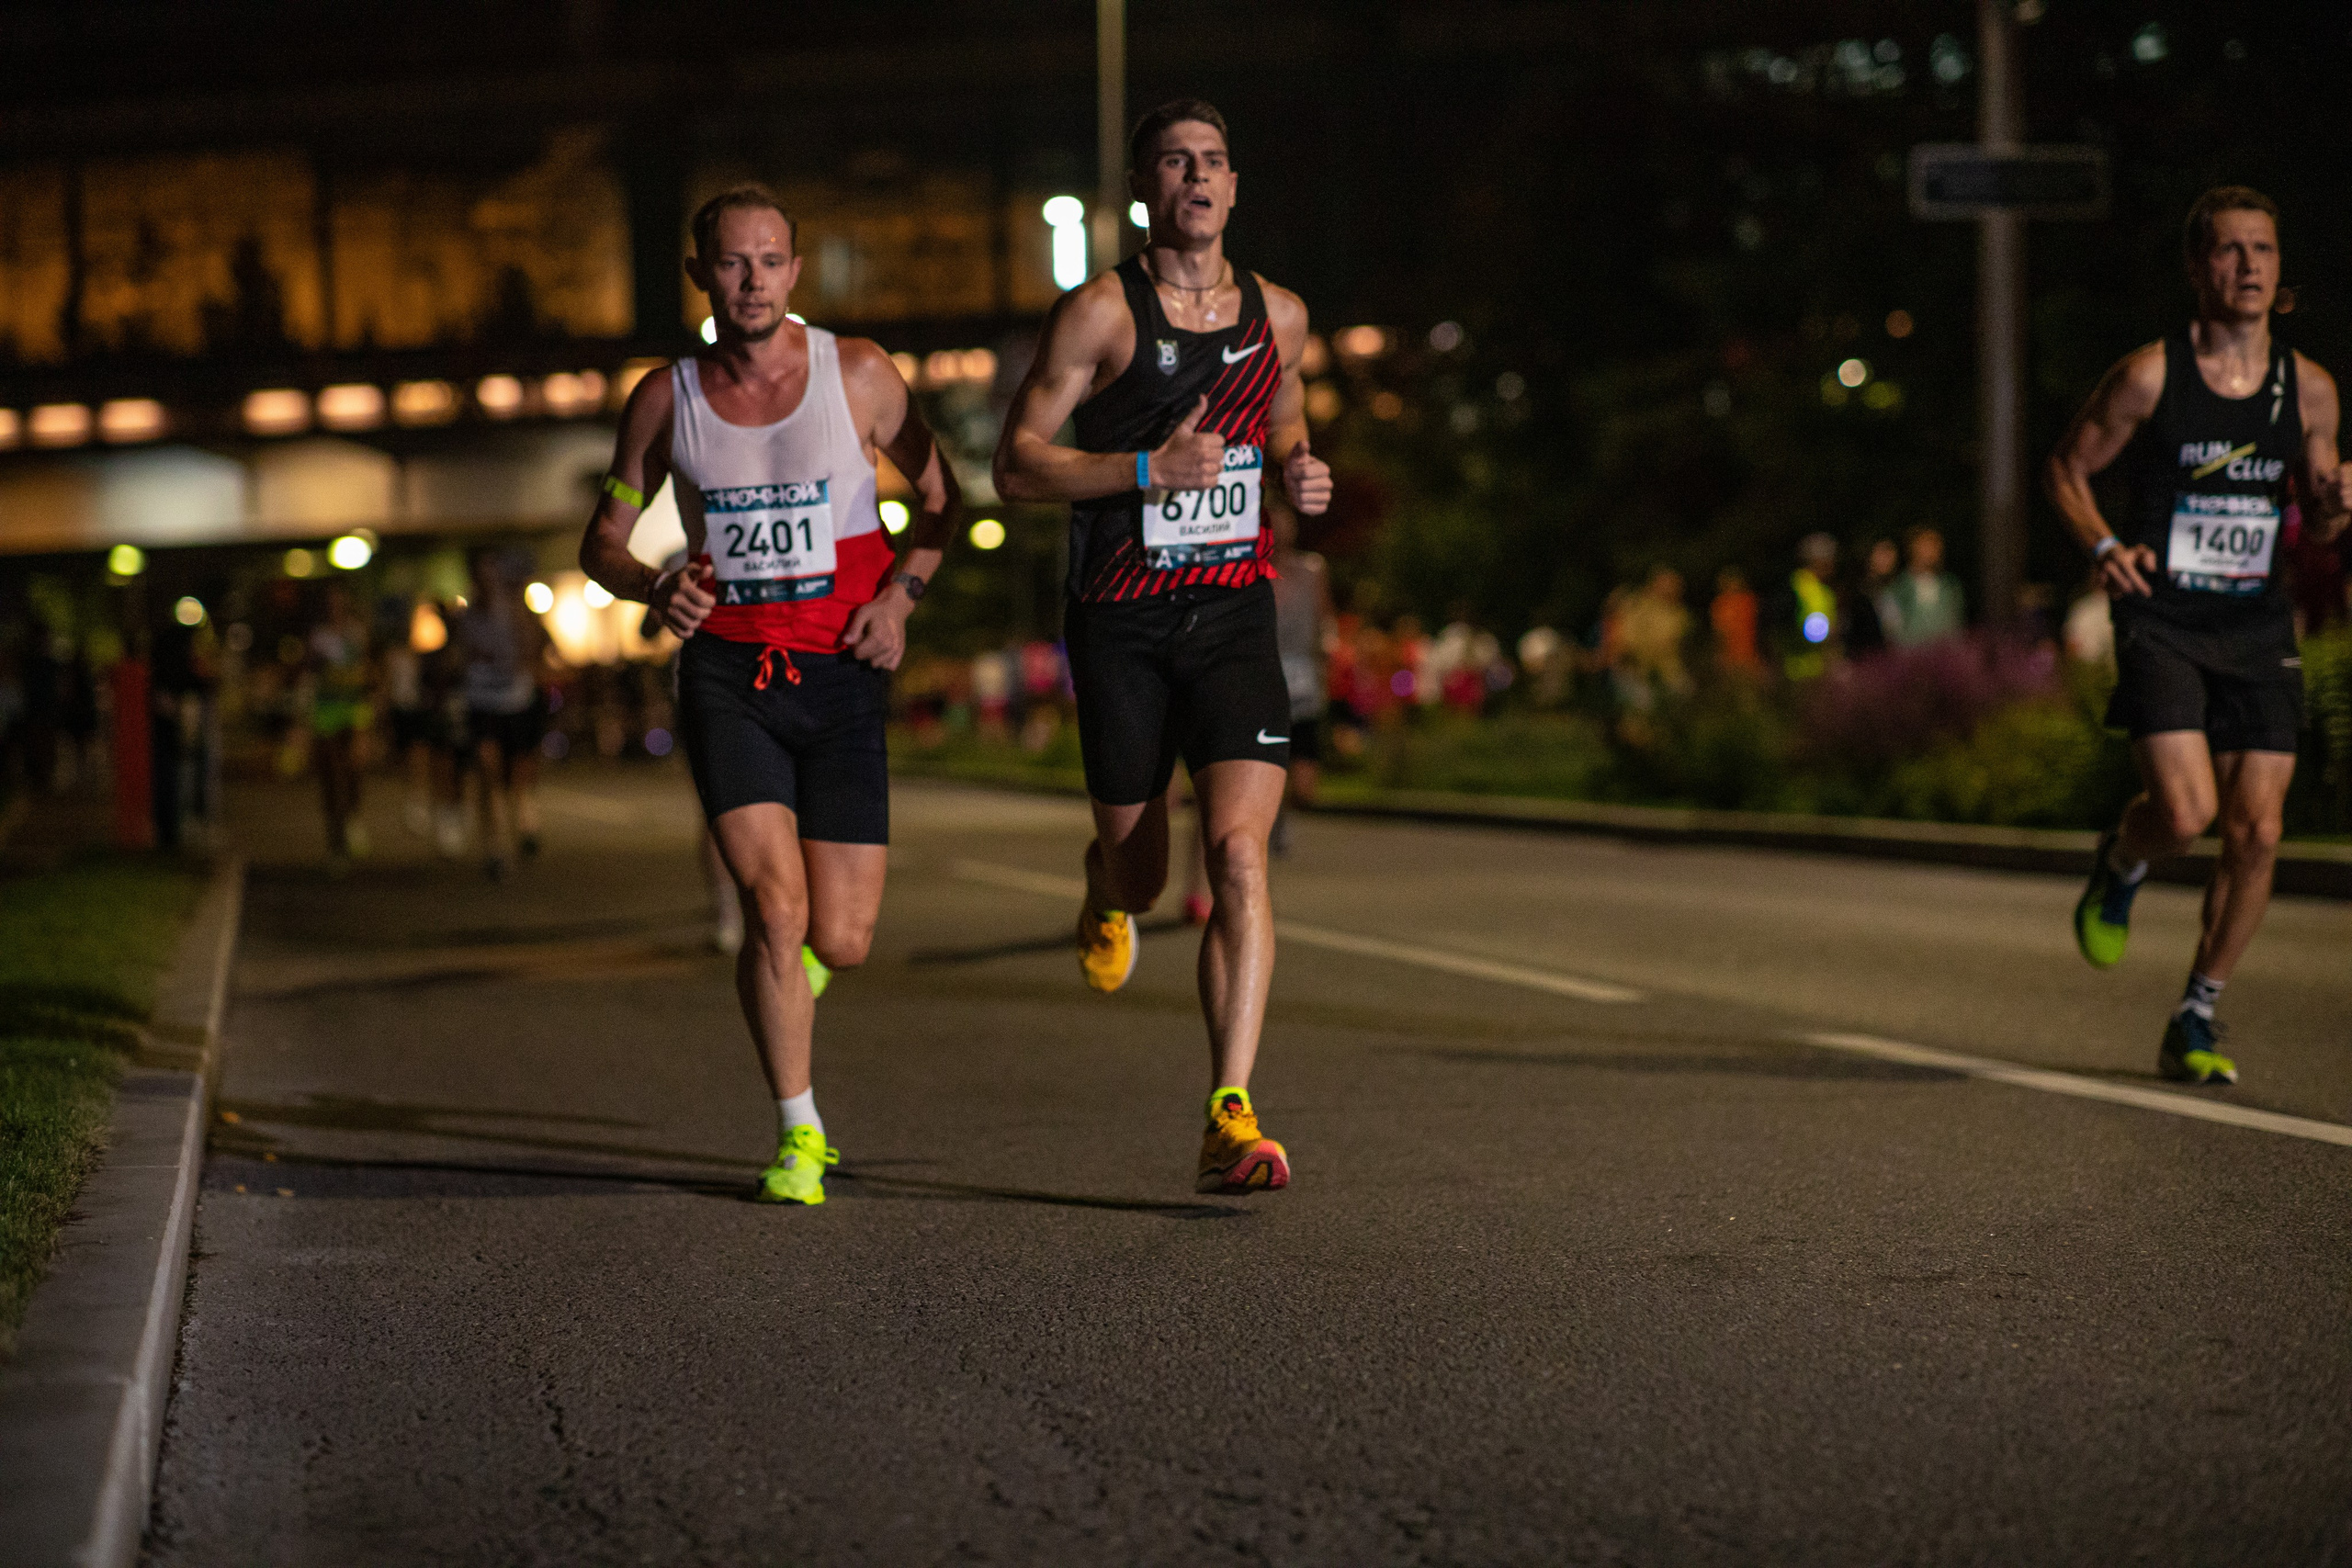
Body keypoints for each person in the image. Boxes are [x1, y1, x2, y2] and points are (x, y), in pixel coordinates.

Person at [579, 184, 958, 1205]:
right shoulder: (668, 398)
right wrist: (654, 582)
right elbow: (602, 543)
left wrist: (901, 602)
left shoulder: (862, 375)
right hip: (728, 676)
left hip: (841, 673)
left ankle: (791, 977)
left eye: (770, 261)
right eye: (731, 263)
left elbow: (940, 501)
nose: (751, 281)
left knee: (842, 938)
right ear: (701, 275)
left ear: (795, 270)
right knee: (773, 907)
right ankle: (799, 1132)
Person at [993, 98, 1332, 1193]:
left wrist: (1297, 467)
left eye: (1216, 161)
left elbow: (1281, 418)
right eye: (1177, 162)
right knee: (1143, 877)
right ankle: (1102, 885)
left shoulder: (1280, 316)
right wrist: (1144, 471)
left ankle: (1228, 1111)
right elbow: (1016, 465)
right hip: (1121, 620)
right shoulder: (1099, 313)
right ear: (1146, 190)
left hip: (1232, 611)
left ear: (1236, 188)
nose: (1198, 177)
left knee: (1235, 853)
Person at [2048, 186, 2350, 1086]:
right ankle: (2122, 859)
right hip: (2164, 618)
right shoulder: (2149, 374)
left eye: (2262, 249)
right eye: (2228, 250)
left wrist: (2332, 509)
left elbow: (2322, 520)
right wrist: (2102, 545)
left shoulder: (2313, 391)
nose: (2248, 265)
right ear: (2196, 267)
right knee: (2184, 816)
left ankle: (2195, 1014)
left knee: (2258, 833)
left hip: (2255, 624)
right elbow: (2066, 467)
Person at [457, 547, 551, 880]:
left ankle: (525, 820)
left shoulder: (514, 610)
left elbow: (535, 647)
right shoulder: (467, 616)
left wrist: (517, 616)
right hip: (482, 702)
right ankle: (494, 846)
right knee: (487, 770)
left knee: (518, 774)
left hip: (516, 700)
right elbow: (458, 656)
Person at [1267, 497, 1334, 847]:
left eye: (1285, 524)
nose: (1280, 532)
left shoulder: (1312, 569)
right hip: (1265, 684)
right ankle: (1269, 815)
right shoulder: (1252, 572)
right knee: (1269, 765)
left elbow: (1324, 621)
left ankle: (1283, 812)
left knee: (1305, 783)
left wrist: (1327, 664)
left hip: (1304, 685)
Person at [306, 582, 374, 868]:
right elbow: (310, 672)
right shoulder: (319, 637)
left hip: (353, 710)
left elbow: (367, 671)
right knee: (331, 773)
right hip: (326, 712)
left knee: (355, 769)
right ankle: (336, 835)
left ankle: (353, 817)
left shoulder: (355, 633)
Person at [1884, 526, 1967, 648]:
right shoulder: (1896, 589)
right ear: (1913, 548)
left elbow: (1957, 627)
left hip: (1946, 660)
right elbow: (1893, 632)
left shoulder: (1951, 586)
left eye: (1936, 545)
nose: (1933, 551)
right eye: (1927, 545)